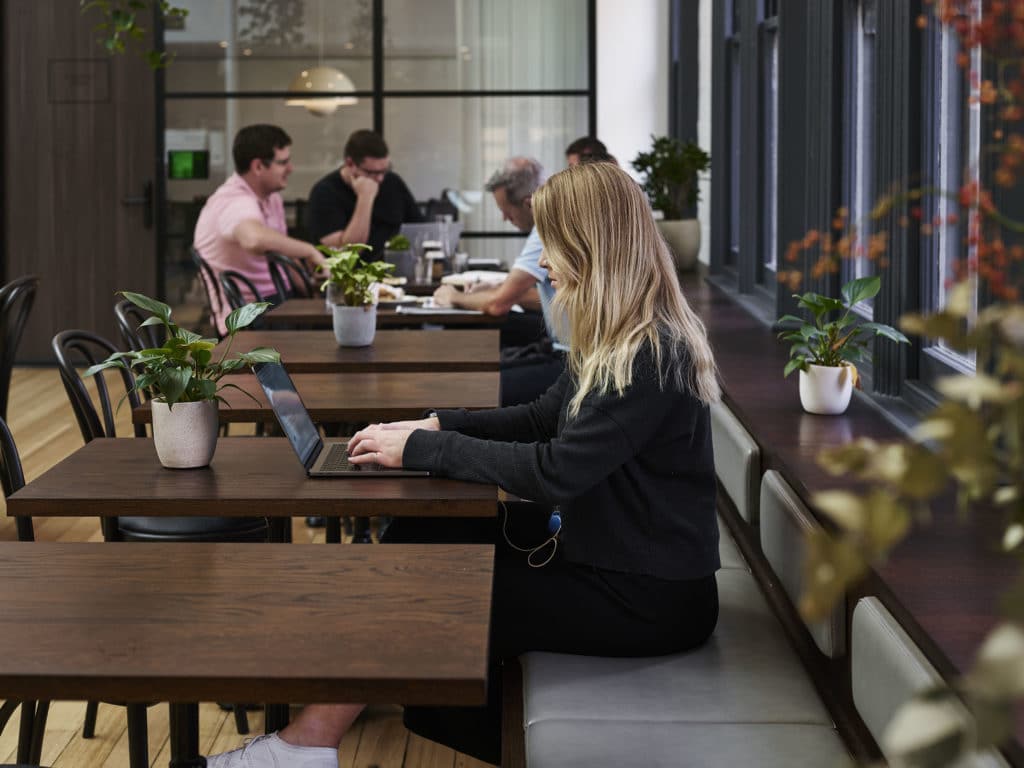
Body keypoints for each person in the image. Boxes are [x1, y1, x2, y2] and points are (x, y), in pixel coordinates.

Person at [204, 161, 723, 768]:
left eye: (552, 245)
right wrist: (434, 425)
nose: (545, 264)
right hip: (605, 548)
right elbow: (538, 418)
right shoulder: (620, 332)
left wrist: (424, 449)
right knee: (424, 533)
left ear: (590, 245)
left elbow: (556, 471)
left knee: (432, 590)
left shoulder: (651, 352)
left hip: (648, 595)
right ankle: (319, 726)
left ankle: (302, 746)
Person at [432, 156, 565, 404]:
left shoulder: (546, 228)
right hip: (562, 352)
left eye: (506, 211)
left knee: (469, 387)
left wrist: (455, 297)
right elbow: (556, 296)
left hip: (569, 360)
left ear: (528, 204)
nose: (504, 218)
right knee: (475, 375)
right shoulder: (563, 219)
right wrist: (498, 286)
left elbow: (497, 305)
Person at [193, 124, 326, 335]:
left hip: (275, 301)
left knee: (342, 316)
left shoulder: (270, 198)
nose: (291, 168)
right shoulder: (234, 201)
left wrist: (314, 286)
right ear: (258, 167)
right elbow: (253, 239)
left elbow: (279, 253)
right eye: (282, 162)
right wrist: (310, 251)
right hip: (247, 314)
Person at [306, 129, 423, 257]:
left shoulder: (393, 182)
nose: (380, 179)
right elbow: (346, 254)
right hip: (353, 273)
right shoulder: (325, 193)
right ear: (350, 164)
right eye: (372, 173)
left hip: (396, 268)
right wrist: (365, 198)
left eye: (384, 170)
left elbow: (420, 229)